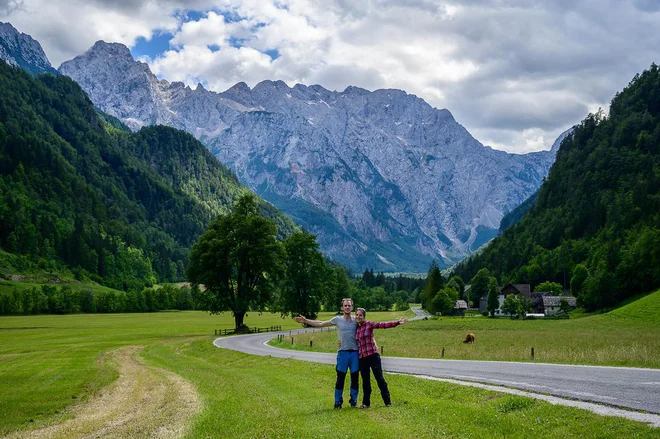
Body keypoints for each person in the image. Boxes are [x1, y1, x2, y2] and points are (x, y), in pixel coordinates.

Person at [295, 298, 359, 409]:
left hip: (355, 354)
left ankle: (354, 401)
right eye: (345, 305)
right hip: (343, 353)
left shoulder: (356, 320)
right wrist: (306, 321)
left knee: (355, 378)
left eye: (349, 305)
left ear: (352, 307)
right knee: (340, 378)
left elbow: (370, 327)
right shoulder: (337, 320)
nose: (347, 307)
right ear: (342, 308)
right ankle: (337, 401)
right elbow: (320, 323)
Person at [355, 307, 407, 408]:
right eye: (357, 315)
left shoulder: (369, 324)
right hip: (362, 357)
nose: (358, 317)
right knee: (365, 381)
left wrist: (397, 322)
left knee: (379, 378)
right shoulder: (356, 328)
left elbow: (382, 325)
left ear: (364, 316)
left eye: (360, 315)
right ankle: (366, 403)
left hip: (373, 356)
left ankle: (387, 402)